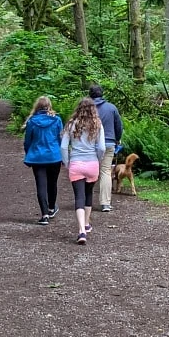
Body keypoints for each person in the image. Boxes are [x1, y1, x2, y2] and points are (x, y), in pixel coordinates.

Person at [60, 97, 105, 245]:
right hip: (92, 163)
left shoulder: (71, 124)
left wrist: (67, 162)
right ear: (93, 110)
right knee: (88, 194)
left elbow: (63, 147)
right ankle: (86, 223)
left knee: (79, 196)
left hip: (76, 164)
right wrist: (97, 159)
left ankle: (81, 231)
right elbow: (102, 148)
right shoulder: (97, 124)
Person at [23, 96, 64, 225]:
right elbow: (61, 139)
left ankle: (44, 214)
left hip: (37, 157)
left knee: (41, 185)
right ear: (49, 106)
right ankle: (51, 208)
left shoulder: (32, 122)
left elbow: (27, 141)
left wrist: (29, 152)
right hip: (54, 156)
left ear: (37, 106)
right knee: (52, 183)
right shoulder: (57, 120)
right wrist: (62, 154)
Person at [89, 84, 123, 213]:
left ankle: (86, 201)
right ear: (102, 94)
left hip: (90, 144)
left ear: (90, 95)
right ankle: (105, 203)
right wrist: (117, 139)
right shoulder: (111, 108)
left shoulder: (86, 109)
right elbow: (119, 126)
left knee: (90, 171)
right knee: (105, 172)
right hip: (109, 143)